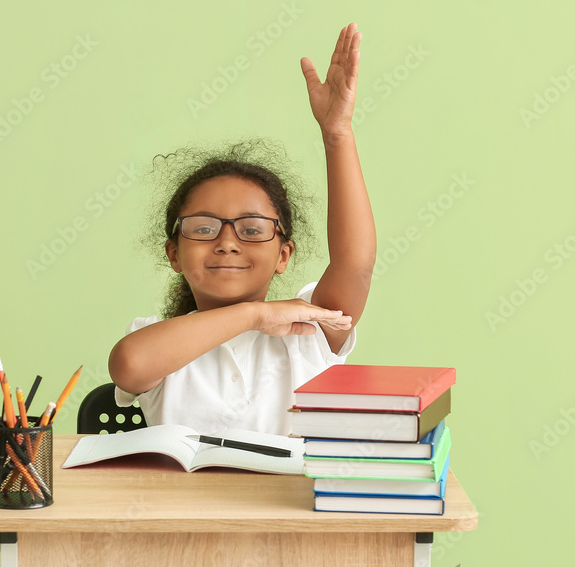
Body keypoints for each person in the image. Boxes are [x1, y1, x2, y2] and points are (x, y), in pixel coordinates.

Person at [108, 22, 375, 435]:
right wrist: (254, 315)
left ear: (284, 255)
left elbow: (355, 264)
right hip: (184, 502)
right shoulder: (159, 341)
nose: (227, 243)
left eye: (252, 230)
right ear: (174, 253)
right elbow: (129, 365)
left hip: (286, 502)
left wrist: (336, 134)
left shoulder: (307, 332)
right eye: (203, 229)